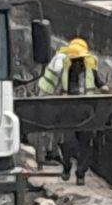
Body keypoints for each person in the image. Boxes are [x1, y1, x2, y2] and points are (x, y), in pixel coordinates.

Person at [35, 38, 102, 183]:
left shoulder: (90, 68)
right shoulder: (63, 69)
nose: (78, 63)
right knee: (68, 143)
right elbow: (53, 87)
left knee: (85, 143)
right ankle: (66, 167)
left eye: (81, 59)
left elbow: (100, 84)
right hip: (68, 111)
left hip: (86, 112)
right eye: (75, 60)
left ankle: (80, 174)